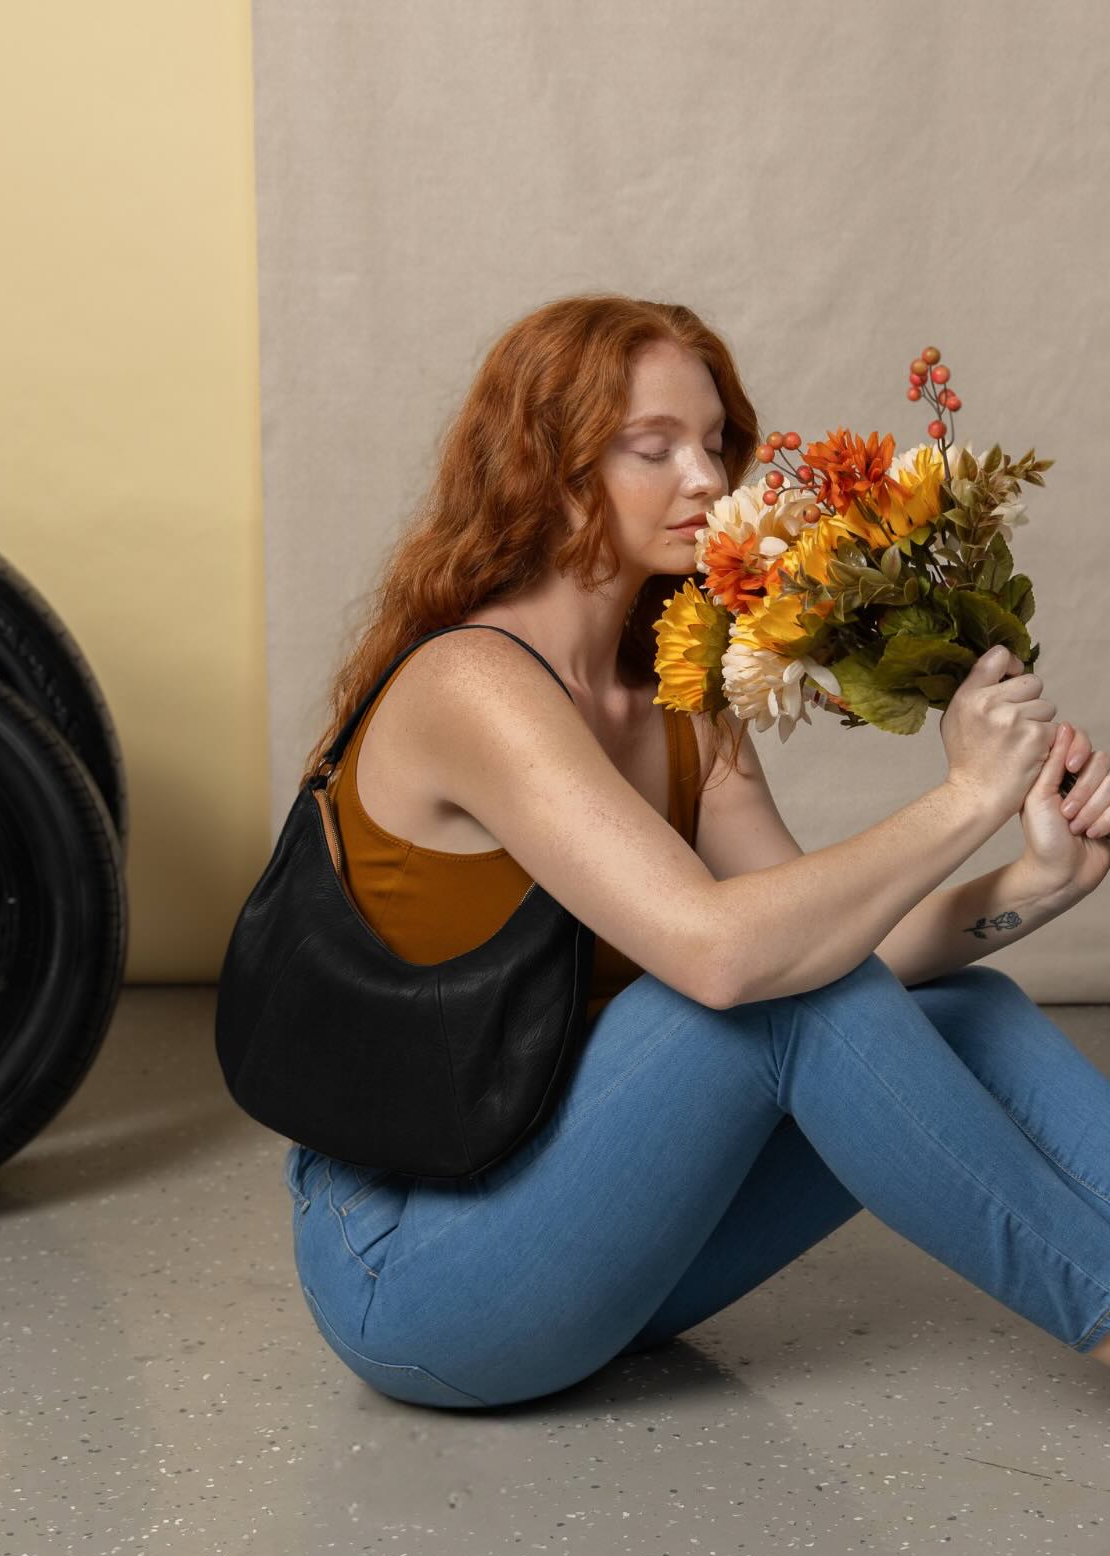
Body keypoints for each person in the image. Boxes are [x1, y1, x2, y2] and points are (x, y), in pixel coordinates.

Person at [284, 294, 1110, 1409]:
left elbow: (831, 945)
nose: (709, 480)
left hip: (604, 1236)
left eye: (716, 441)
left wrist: (1036, 881)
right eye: (652, 445)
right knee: (770, 997)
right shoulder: (468, 684)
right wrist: (968, 800)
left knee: (971, 1010)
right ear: (547, 465)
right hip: (417, 1272)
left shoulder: (679, 696)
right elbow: (732, 960)